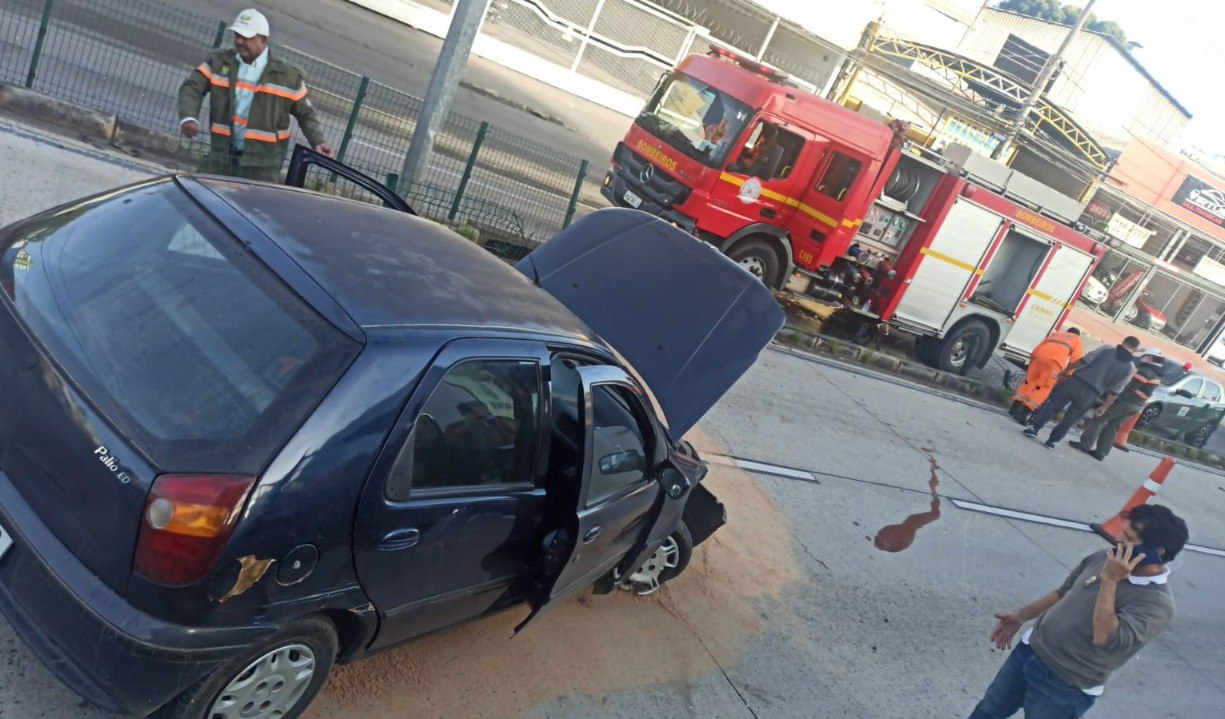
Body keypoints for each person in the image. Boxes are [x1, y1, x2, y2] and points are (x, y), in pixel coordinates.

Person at [968, 504, 1189, 718]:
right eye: (1122, 533)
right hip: (1029, 652)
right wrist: (1020, 616)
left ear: (1156, 552)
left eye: (1129, 538)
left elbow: (1106, 638)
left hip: (1065, 684)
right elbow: (1063, 592)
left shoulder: (1156, 603)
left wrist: (1111, 580)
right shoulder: (1105, 556)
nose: (1118, 540)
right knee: (988, 710)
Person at [177, 8, 333, 183]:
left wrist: (318, 141)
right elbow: (192, 87)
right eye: (237, 35)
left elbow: (306, 114)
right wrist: (188, 117)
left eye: (246, 37)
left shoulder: (287, 76)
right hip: (221, 157)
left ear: (263, 40)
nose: (239, 41)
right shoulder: (219, 62)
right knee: (199, 194)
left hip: (262, 168)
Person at [1024, 337, 1139, 449]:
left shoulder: (1108, 348)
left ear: (1124, 341)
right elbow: (1116, 391)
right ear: (1135, 349)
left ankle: (1034, 429)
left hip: (1076, 382)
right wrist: (1104, 407)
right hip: (1091, 394)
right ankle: (1051, 441)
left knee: (1052, 406)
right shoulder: (1131, 368)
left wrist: (1065, 371)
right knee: (1070, 418)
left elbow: (1084, 360)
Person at [1071, 348, 1164, 460]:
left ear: (1150, 357)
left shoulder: (1145, 371)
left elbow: (1130, 388)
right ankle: (1101, 453)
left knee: (1099, 418)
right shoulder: (1157, 375)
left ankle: (1084, 445)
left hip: (1126, 402)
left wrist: (1112, 400)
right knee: (1113, 426)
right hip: (1136, 406)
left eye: (1145, 356)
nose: (1142, 358)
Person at [1010, 328, 1084, 425]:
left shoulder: (1055, 334)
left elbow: (1036, 349)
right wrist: (1068, 375)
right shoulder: (1077, 340)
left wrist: (1032, 362)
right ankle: (1023, 414)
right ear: (1077, 335)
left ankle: (1013, 409)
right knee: (1042, 388)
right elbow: (1076, 360)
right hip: (1054, 363)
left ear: (1067, 331)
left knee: (1029, 382)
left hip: (1038, 357)